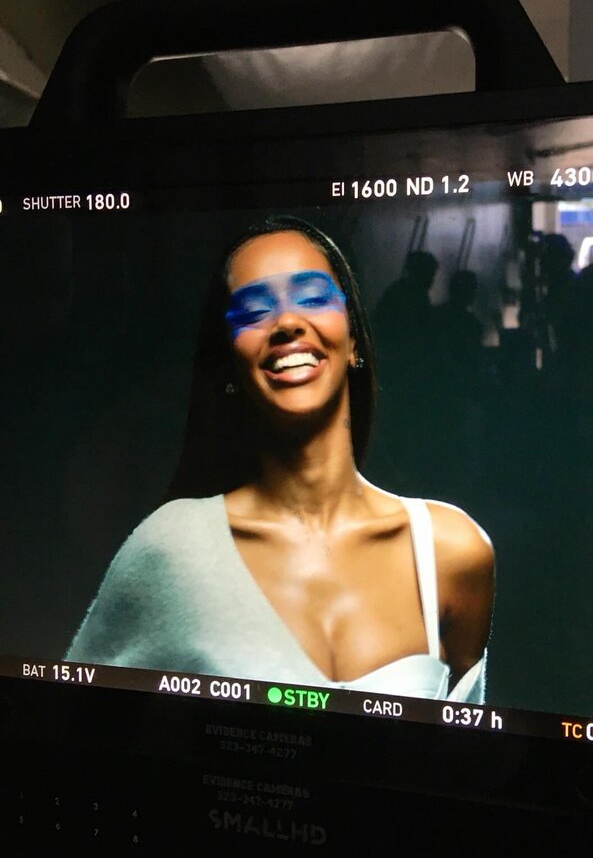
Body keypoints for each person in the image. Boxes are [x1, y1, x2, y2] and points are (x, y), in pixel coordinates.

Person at [66, 218, 494, 702]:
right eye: (253, 311)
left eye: (312, 297)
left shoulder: (451, 552)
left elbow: (464, 744)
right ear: (230, 364)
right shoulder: (170, 547)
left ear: (354, 340)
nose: (287, 323)